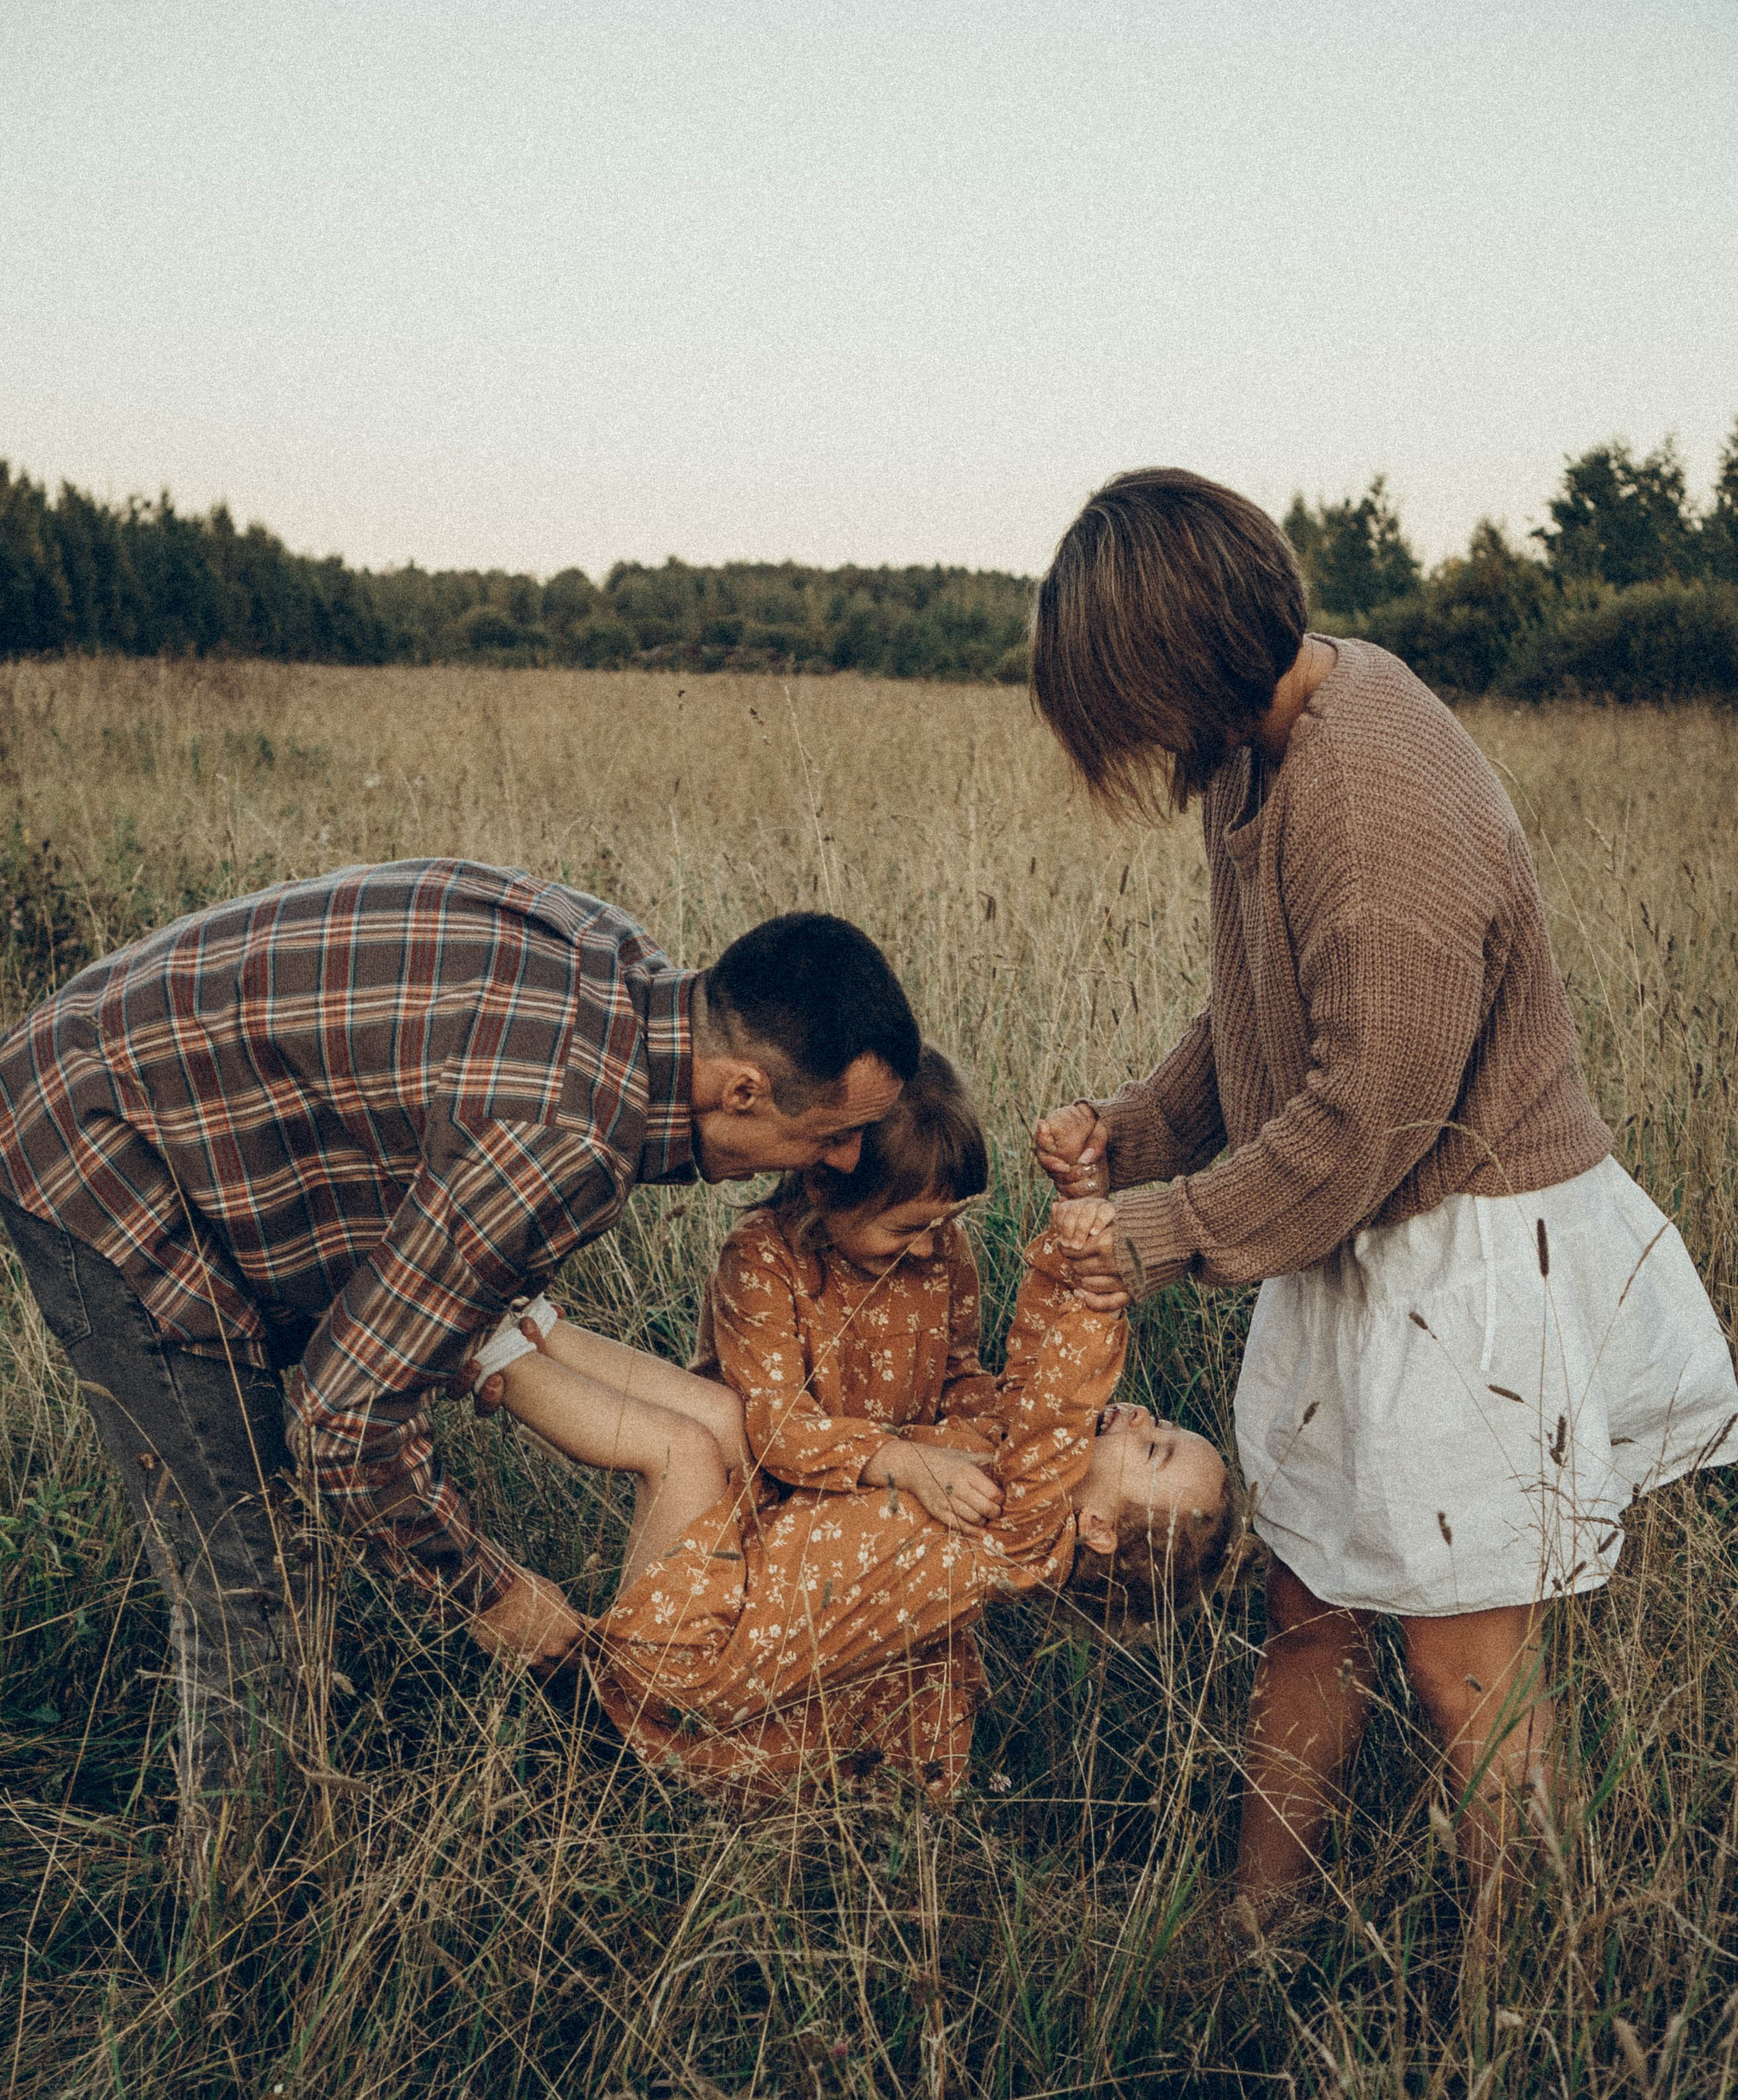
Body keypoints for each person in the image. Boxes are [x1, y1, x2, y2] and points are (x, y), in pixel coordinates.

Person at [1029, 467, 1738, 1928]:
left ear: (1178, 659)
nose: (1128, 741)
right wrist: (1136, 1127)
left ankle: (1527, 2016)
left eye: (1122, 698)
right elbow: (1270, 1019)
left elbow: (1369, 1121)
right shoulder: (1257, 750)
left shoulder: (1373, 791)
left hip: (1458, 1255)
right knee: (1310, 1612)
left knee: (1463, 1672)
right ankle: (1256, 1919)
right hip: (1349, 1252)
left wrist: (1153, 1237)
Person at [0, 860, 920, 1873]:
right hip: (96, 1150)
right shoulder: (563, 1137)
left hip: (150, 1089)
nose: (838, 1164)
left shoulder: (628, 975)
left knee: (283, 1534)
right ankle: (233, 1933)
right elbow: (342, 1422)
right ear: (741, 1087)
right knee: (254, 1569)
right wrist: (499, 1600)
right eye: (830, 1135)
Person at [468, 1215, 1230, 1803]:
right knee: (732, 1423)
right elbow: (1034, 1374)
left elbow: (1060, 1399)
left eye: (1154, 1450)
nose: (1139, 1419)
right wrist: (1069, 1242)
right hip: (741, 1581)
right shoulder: (1009, 1462)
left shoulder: (1027, 1525)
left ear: (1094, 1530)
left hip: (687, 1662)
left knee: (682, 1454)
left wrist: (1098, 1293)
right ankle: (537, 1327)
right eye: (1161, 1421)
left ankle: (477, 1352)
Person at [690, 1043, 1003, 1528]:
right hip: (772, 1500)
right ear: (823, 1185)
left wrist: (1009, 1431)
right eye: (903, 1231)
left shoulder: (943, 1244)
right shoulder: (763, 1258)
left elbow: (958, 1378)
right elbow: (780, 1430)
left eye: (944, 1224)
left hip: (898, 1486)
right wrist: (908, 1463)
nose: (927, 1249)